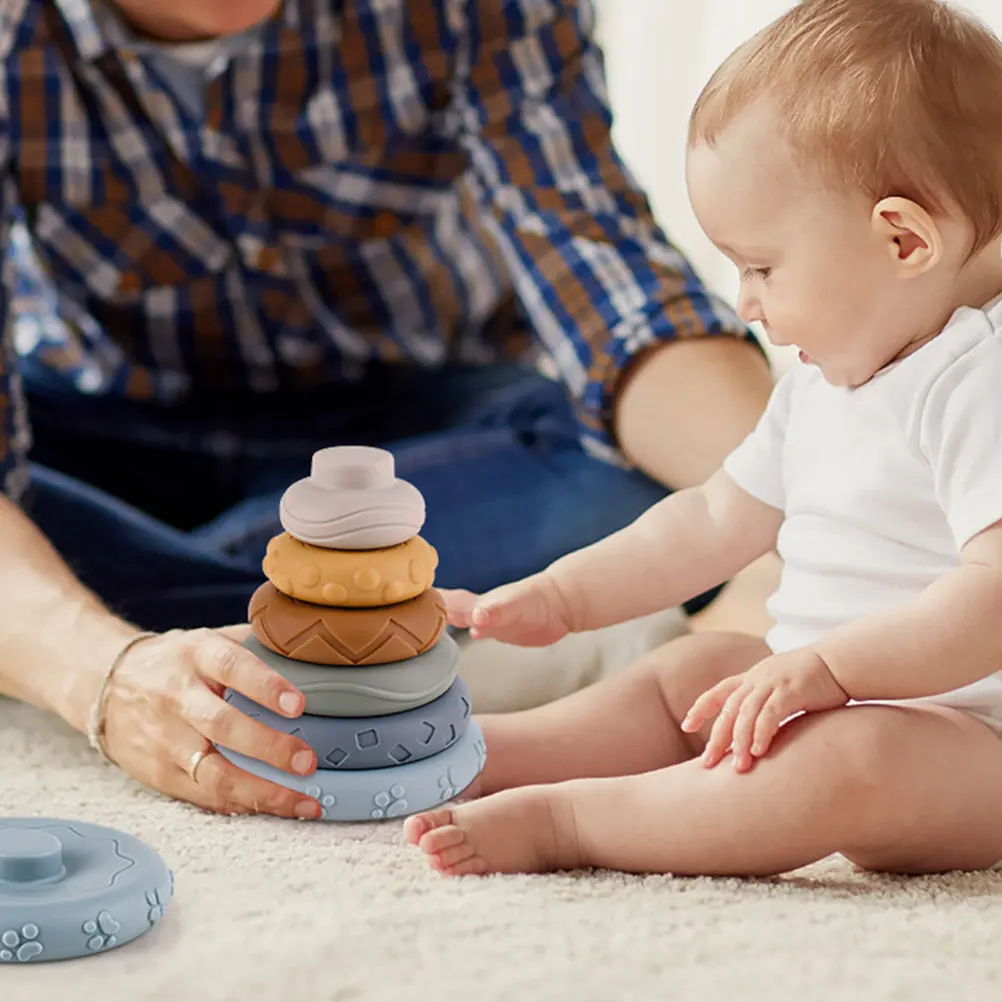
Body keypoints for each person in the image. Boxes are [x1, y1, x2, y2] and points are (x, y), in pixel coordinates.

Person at [0, 1, 773, 821]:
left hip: (422, 427)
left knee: (645, 485)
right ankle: (408, 645)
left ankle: (158, 621)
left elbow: (617, 294)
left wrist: (801, 493)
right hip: (95, 428)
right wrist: (101, 675)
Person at [403, 0, 1002, 878]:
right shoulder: (827, 379)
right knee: (697, 672)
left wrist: (831, 673)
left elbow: (992, 597)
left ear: (903, 239)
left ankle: (575, 823)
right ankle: (495, 752)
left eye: (762, 267)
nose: (745, 303)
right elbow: (713, 520)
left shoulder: (980, 378)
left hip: (972, 737)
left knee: (851, 759)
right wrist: (565, 597)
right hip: (815, 682)